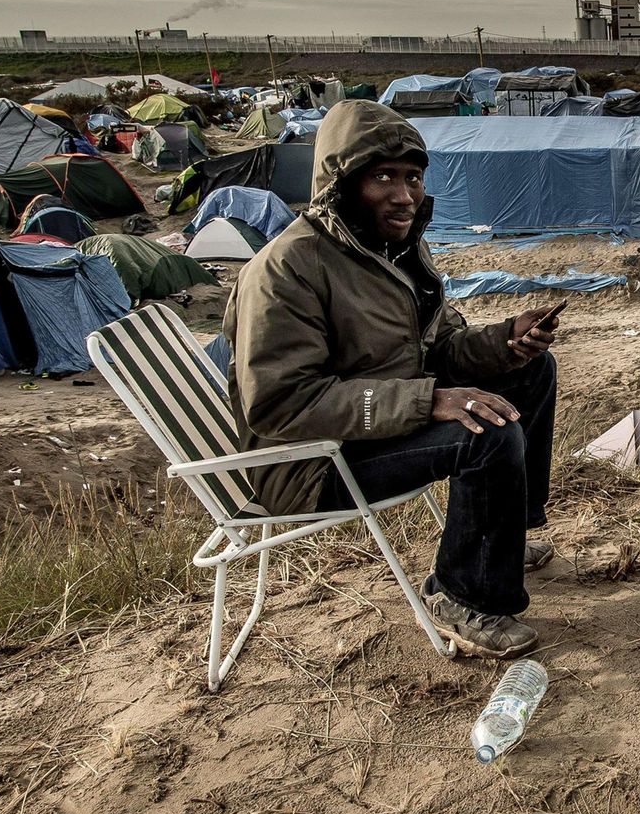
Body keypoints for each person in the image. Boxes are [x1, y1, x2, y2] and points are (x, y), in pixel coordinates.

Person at [223, 100, 561, 658]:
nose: (405, 195)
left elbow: (441, 349)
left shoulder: (395, 250)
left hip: (372, 426)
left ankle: (504, 538)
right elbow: (281, 405)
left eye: (413, 177)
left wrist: (506, 342)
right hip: (309, 460)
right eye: (383, 177)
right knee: (488, 432)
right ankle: (462, 595)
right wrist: (426, 403)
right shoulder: (286, 270)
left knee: (532, 371)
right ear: (341, 183)